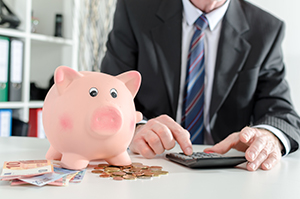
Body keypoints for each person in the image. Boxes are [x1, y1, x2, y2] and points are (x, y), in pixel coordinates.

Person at [100, 0, 300, 171]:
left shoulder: (265, 29)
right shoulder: (135, 10)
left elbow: (281, 113)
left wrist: (269, 136)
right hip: (152, 163)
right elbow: (107, 95)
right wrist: (134, 128)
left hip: (227, 172)